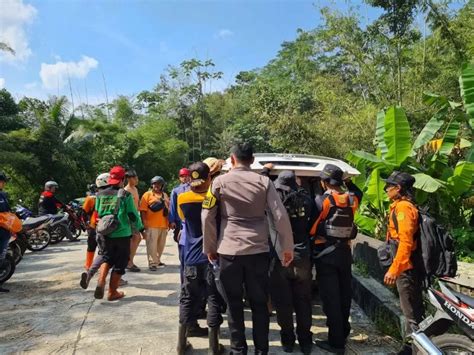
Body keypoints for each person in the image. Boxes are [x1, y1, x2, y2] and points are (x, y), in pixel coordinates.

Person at [203, 142, 294, 355]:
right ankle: (261, 350)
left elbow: (206, 215)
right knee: (259, 304)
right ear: (252, 160)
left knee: (234, 305)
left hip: (229, 251)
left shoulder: (218, 182)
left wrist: (210, 246)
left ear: (232, 159)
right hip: (258, 251)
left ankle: (238, 350)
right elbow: (279, 215)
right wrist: (286, 247)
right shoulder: (264, 181)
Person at [310, 164, 362, 354]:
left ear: (324, 183)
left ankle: (336, 343)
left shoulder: (321, 201)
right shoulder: (352, 199)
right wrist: (347, 181)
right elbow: (358, 192)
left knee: (330, 298)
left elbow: (311, 228)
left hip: (326, 254)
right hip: (345, 254)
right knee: (343, 295)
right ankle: (343, 332)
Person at [176, 162, 225, 355]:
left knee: (187, 298)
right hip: (213, 256)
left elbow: (183, 220)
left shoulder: (182, 198)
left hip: (190, 257)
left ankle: (181, 345)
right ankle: (214, 347)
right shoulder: (217, 198)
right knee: (214, 298)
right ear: (210, 178)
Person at [269, 170, 314, 354]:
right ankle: (305, 341)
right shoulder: (307, 199)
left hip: (280, 256)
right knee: (303, 300)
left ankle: (287, 340)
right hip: (302, 255)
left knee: (283, 302)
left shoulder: (274, 203)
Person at [383, 171, 424, 354]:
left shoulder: (404, 208)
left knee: (411, 315)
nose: (386, 189)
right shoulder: (400, 206)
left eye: (388, 186)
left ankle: (415, 350)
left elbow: (405, 242)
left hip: (406, 267)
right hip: (406, 265)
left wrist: (394, 269)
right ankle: (410, 349)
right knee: (412, 310)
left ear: (397, 188)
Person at [94, 166, 143, 301]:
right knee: (121, 263)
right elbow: (132, 214)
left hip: (105, 232)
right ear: (123, 179)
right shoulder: (125, 194)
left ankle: (100, 281)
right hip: (121, 234)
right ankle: (112, 292)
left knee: (107, 258)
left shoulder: (100, 195)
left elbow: (98, 211)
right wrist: (140, 228)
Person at [139, 176, 170, 271]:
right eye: (155, 184)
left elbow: (168, 210)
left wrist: (169, 222)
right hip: (151, 224)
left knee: (161, 245)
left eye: (159, 184)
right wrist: (144, 222)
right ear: (152, 185)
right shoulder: (147, 195)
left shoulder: (165, 195)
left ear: (162, 185)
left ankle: (157, 260)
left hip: (163, 224)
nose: (157, 186)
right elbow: (143, 210)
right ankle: (152, 263)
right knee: (152, 245)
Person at [125, 169, 142, 272]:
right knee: (136, 238)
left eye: (136, 177)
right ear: (128, 179)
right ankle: (129, 262)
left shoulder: (135, 189)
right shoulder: (126, 190)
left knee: (136, 238)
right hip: (129, 218)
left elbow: (137, 204)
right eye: (134, 178)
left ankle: (130, 261)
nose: (136, 179)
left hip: (135, 217)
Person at [0, 171, 11, 293]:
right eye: (2, 181)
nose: (3, 184)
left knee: (1, 257)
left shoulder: (2, 195)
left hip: (4, 231)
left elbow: (7, 211)